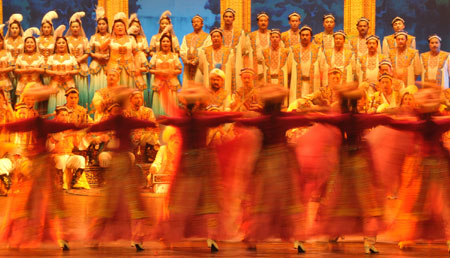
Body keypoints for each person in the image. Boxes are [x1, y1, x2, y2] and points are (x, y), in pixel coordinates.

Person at [158, 85, 239, 252]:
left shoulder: (183, 118)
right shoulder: (204, 117)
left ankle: (171, 236)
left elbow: (169, 115)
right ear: (198, 104)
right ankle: (212, 236)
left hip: (187, 162)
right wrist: (236, 114)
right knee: (208, 199)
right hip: (202, 162)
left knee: (180, 199)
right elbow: (225, 116)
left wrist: (164, 99)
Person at [312, 86, 392, 254]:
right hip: (357, 161)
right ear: (356, 103)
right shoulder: (360, 118)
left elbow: (322, 118)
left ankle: (334, 234)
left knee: (339, 197)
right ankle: (368, 241)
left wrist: (313, 112)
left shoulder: (340, 118)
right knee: (364, 200)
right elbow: (384, 118)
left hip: (343, 160)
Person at [0, 85, 80, 250]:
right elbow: (69, 126)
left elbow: (12, 126)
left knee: (30, 201)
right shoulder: (44, 123)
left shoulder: (35, 122)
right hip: (42, 165)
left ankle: (21, 234)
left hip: (38, 164)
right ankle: (60, 236)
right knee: (50, 200)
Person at [235, 85, 309, 253]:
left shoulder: (262, 118)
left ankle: (253, 238)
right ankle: (296, 238)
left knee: (262, 200)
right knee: (288, 200)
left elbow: (243, 121)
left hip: (266, 162)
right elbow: (304, 119)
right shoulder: (282, 118)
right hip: (282, 162)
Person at [87, 87, 157, 251]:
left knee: (110, 201)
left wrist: (82, 128)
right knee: (131, 201)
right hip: (123, 161)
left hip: (121, 162)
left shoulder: (115, 120)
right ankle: (136, 237)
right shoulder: (126, 120)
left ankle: (95, 238)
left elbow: (94, 128)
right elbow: (147, 123)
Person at [387, 87, 450, 253]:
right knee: (429, 201)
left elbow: (398, 123)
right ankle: (411, 235)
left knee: (432, 201)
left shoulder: (424, 121)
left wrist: (383, 118)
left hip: (429, 163)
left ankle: (413, 236)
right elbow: (399, 123)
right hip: (428, 163)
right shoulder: (431, 121)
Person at [49, 105, 89, 190]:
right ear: (57, 116)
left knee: (80, 159)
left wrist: (80, 135)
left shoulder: (70, 129)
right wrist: (55, 139)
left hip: (68, 155)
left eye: (66, 115)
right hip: (56, 156)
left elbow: (78, 145)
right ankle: (59, 183)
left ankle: (75, 183)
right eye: (62, 115)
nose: (65, 117)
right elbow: (48, 147)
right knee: (61, 159)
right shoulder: (51, 128)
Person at [46, 26, 79, 114]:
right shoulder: (51, 58)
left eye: (63, 43)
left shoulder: (72, 57)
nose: (61, 44)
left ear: (66, 45)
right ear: (56, 45)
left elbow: (77, 70)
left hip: (69, 86)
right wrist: (55, 73)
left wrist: (69, 72)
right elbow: (47, 71)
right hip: (55, 85)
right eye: (59, 43)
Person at [149, 33, 182, 116]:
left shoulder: (174, 56)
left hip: (171, 84)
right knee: (159, 104)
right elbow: (150, 69)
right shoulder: (156, 56)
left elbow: (179, 70)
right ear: (160, 43)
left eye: (167, 41)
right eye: (163, 41)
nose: (165, 43)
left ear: (170, 43)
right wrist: (159, 72)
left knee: (171, 106)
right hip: (159, 84)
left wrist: (171, 72)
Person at [289, 25, 321, 103]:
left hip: (313, 82)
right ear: (300, 36)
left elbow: (321, 66)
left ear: (311, 36)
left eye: (307, 35)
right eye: (303, 35)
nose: (304, 37)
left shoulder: (317, 49)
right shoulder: (293, 49)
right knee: (296, 107)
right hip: (297, 83)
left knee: (312, 107)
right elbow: (289, 68)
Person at [107, 12, 138, 88]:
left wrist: (137, 67)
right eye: (117, 26)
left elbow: (136, 53)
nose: (120, 28)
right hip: (114, 68)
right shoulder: (110, 40)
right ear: (114, 29)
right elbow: (101, 50)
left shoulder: (131, 39)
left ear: (125, 27)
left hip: (129, 68)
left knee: (128, 89)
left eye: (121, 26)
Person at [66, 12, 90, 108]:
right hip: (70, 67)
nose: (75, 29)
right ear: (70, 28)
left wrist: (79, 60)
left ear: (80, 28)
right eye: (73, 27)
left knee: (81, 90)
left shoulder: (84, 40)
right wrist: (72, 61)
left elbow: (87, 53)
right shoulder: (66, 39)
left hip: (81, 67)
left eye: (77, 27)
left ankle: (82, 110)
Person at [198, 28, 234, 92]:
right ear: (211, 39)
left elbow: (232, 67)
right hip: (209, 80)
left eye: (218, 36)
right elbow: (201, 67)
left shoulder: (229, 51)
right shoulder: (204, 51)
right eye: (214, 36)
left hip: (224, 82)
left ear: (221, 38)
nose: (216, 38)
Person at [89, 6, 111, 106]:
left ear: (107, 25)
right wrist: (97, 56)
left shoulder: (112, 37)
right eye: (99, 24)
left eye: (103, 24)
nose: (101, 26)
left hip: (108, 65)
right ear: (97, 25)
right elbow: (88, 52)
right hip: (96, 65)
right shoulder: (93, 37)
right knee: (96, 88)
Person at [14, 28, 45, 99]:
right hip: (22, 86)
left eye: (31, 42)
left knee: (35, 108)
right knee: (21, 108)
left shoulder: (40, 57)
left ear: (35, 45)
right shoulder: (20, 57)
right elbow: (15, 70)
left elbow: (43, 70)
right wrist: (25, 71)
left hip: (36, 85)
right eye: (27, 42)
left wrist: (34, 70)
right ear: (24, 45)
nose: (29, 44)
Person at [220, 8, 247, 89]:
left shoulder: (240, 33)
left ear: (233, 18)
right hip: (222, 64)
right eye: (226, 16)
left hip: (236, 64)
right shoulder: (219, 32)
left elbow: (243, 51)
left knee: (236, 87)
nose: (228, 18)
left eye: (230, 17)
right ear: (223, 18)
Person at [180, 15, 209, 82]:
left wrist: (197, 60)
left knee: (199, 86)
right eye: (194, 22)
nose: (196, 23)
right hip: (188, 67)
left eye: (198, 21)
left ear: (202, 24)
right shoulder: (186, 37)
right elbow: (182, 50)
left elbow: (207, 50)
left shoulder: (207, 37)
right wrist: (187, 61)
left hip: (200, 67)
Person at [262, 29, 290, 94]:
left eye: (277, 37)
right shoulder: (265, 51)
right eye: (273, 37)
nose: (275, 39)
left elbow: (288, 68)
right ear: (270, 39)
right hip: (269, 79)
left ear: (280, 39)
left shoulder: (285, 52)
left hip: (280, 79)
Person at [247, 12, 271, 82]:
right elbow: (247, 54)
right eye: (261, 21)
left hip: (269, 67)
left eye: (265, 21)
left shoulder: (272, 35)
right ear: (258, 22)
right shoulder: (251, 36)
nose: (263, 22)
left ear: (268, 22)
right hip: (255, 66)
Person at [37, 11, 58, 85]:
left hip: (52, 66)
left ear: (51, 28)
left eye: (48, 27)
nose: (46, 29)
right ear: (42, 29)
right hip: (40, 67)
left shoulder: (55, 40)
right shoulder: (37, 40)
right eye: (44, 27)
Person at [0, 24, 14, 104]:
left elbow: (12, 67)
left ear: (2, 41)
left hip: (5, 81)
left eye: (0, 40)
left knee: (6, 104)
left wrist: (2, 70)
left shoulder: (7, 53)